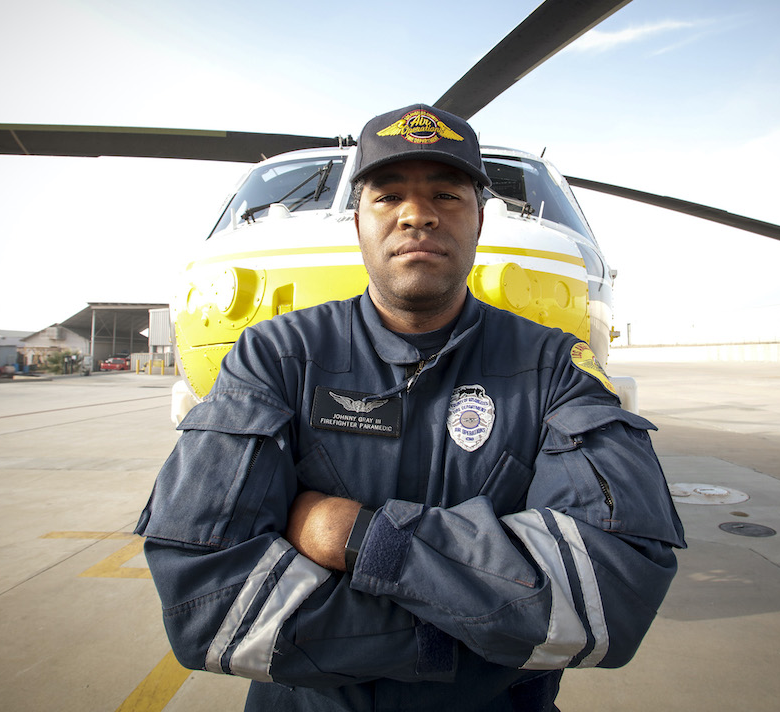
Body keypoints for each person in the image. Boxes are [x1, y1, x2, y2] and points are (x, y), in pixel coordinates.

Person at [135, 104, 686, 712]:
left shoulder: (554, 367)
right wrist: (471, 631)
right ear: (358, 225)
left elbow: (604, 600)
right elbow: (212, 610)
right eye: (387, 194)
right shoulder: (276, 355)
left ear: (480, 220)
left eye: (447, 195)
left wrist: (350, 535)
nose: (417, 214)